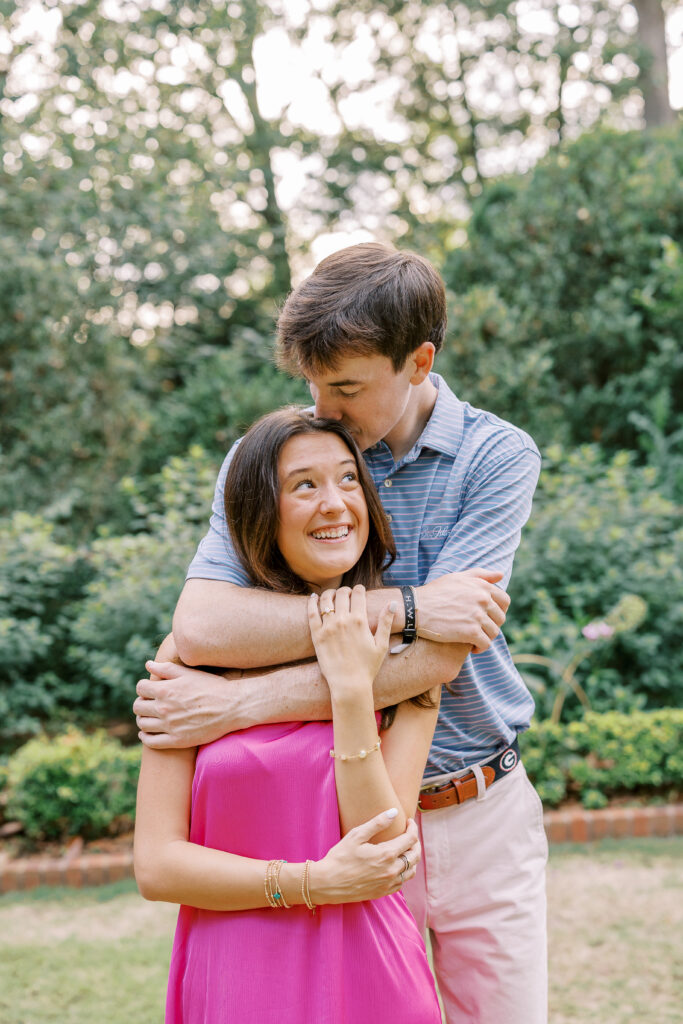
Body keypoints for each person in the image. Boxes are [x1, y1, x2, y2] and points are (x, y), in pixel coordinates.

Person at [134, 242, 548, 1024]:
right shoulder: (273, 459)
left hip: (475, 805)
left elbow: (435, 664)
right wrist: (412, 606)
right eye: (313, 383)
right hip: (329, 821)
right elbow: (202, 626)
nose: (323, 408)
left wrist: (238, 705)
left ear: (418, 362)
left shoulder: (493, 457)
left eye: (346, 387)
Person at [134, 409, 443, 1024]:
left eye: (349, 479)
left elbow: (383, 844)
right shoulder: (193, 658)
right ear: (259, 511)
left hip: (369, 971)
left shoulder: (407, 658)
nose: (335, 503)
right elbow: (157, 865)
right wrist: (309, 883)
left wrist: (352, 689)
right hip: (236, 970)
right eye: (304, 485)